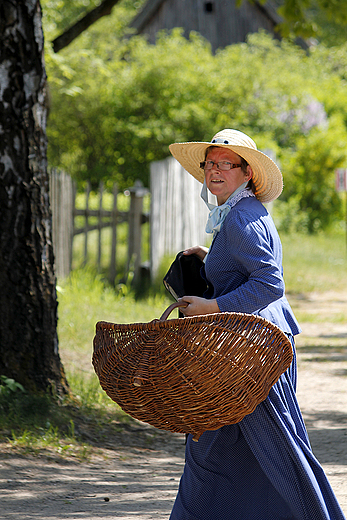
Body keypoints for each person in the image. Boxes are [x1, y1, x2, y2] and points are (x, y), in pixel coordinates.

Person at [168, 129, 346, 520]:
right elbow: (247, 266)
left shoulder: (241, 218)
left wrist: (211, 306)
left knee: (275, 450)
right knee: (222, 446)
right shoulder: (238, 213)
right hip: (249, 350)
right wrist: (210, 255)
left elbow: (270, 282)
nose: (215, 170)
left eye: (225, 164)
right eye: (210, 163)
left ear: (246, 173)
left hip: (252, 358)